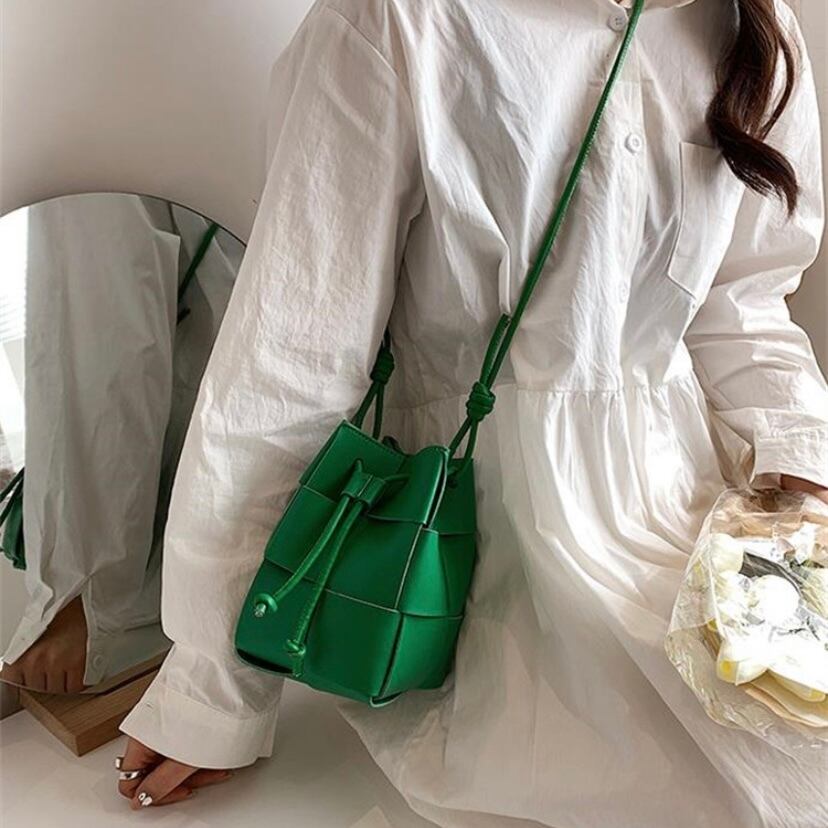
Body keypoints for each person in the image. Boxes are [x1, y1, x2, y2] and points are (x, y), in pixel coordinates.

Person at [116, 0, 828, 825]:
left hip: (705, 508)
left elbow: (739, 304)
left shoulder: (754, 25)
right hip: (494, 553)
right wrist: (215, 686)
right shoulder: (398, 21)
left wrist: (804, 481)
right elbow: (293, 359)